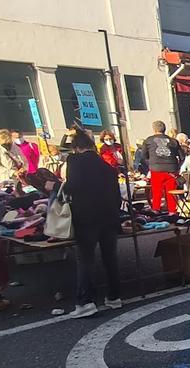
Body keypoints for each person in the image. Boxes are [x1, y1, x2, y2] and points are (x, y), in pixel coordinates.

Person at [61, 127, 122, 319]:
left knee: (86, 259)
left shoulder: (75, 161)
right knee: (110, 258)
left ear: (76, 148)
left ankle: (85, 301)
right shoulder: (106, 166)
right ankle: (114, 296)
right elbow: (117, 196)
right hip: (109, 216)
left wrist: (55, 186)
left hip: (86, 217)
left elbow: (74, 185)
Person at [141, 120, 185, 213]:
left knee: (157, 192)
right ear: (164, 129)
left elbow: (143, 156)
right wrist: (177, 167)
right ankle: (172, 212)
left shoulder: (148, 140)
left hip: (156, 170)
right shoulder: (173, 141)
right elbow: (182, 157)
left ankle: (156, 210)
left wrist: (151, 164)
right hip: (171, 170)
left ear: (154, 129)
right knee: (171, 193)